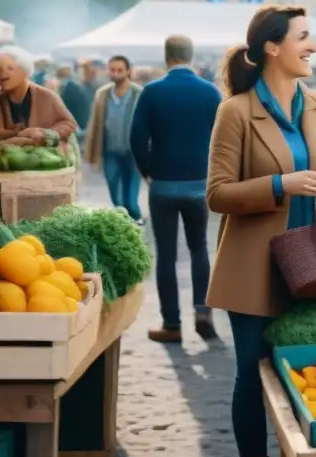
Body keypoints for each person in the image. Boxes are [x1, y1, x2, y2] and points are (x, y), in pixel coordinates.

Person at [206, 5, 316, 457]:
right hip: (254, 268)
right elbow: (218, 194)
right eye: (303, 37)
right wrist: (280, 185)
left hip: (314, 263)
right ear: (272, 47)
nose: (312, 45)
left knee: (312, 374)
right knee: (252, 377)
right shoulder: (235, 111)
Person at [130, 36, 222, 343]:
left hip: (164, 186)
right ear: (191, 56)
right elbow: (222, 140)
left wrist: (148, 172)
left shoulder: (152, 92)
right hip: (199, 183)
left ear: (166, 57)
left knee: (166, 254)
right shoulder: (211, 92)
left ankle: (171, 324)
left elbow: (136, 138)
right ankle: (203, 311)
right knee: (199, 248)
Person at [84, 56, 143, 223]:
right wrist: (91, 152)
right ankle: (124, 222)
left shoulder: (138, 93)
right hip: (110, 150)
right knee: (115, 192)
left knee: (130, 197)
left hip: (133, 151)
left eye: (119, 70)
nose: (115, 73)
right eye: (112, 70)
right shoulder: (102, 94)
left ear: (128, 71)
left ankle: (135, 216)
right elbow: (94, 124)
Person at [0, 46, 78, 145]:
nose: (2, 74)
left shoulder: (47, 97)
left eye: (10, 68)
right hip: (4, 158)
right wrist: (20, 134)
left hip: (43, 157)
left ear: (25, 71)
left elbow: (69, 125)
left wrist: (45, 134)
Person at [56, 64, 92, 134]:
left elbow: (64, 108)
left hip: (78, 125)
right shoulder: (74, 87)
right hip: (82, 124)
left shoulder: (69, 89)